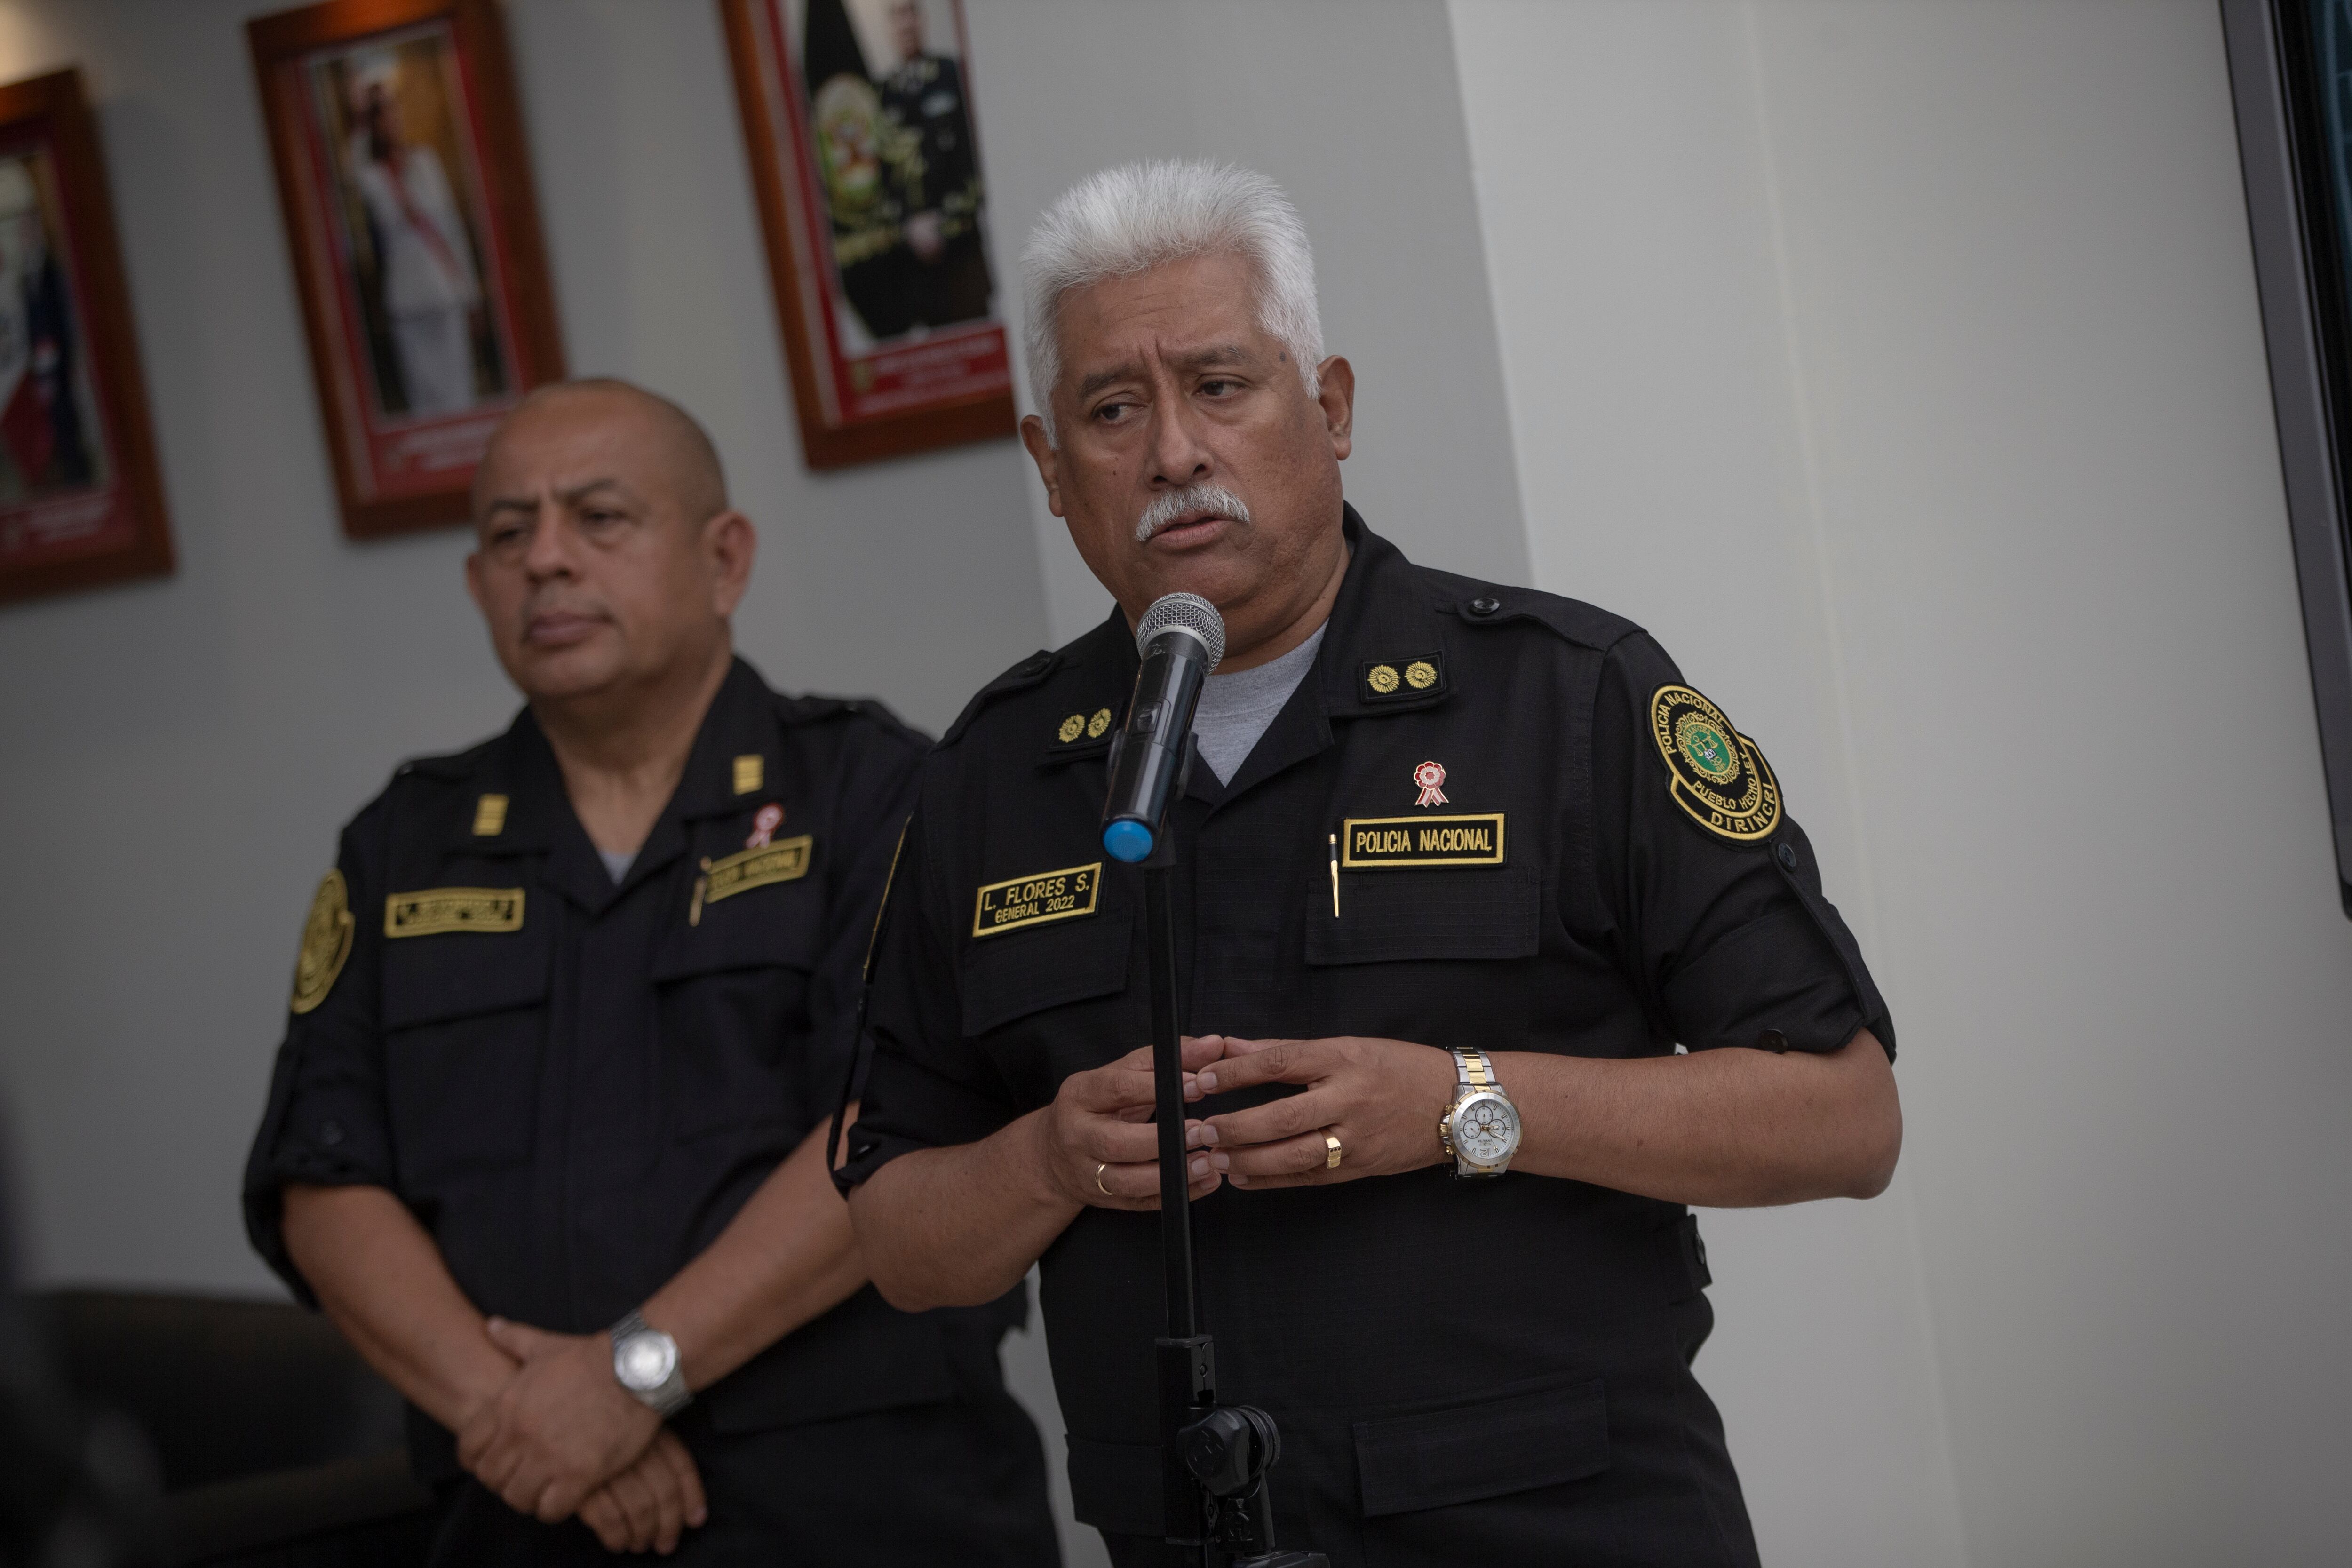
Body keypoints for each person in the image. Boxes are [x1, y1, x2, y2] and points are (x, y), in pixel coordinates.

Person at [838, 161, 1904, 1568]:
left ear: (1326, 408)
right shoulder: (993, 773)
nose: (1170, 453)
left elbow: (1840, 1116)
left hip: (1561, 1524)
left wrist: (1466, 1104)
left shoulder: (1565, 698)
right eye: (1112, 409)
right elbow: (901, 1240)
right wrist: (1045, 1160)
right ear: (1051, 469)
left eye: (1220, 386)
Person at [242, 379, 1058, 1565]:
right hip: (525, 1511)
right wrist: (517, 1415)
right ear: (476, 585)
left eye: (600, 519)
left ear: (723, 558)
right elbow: (322, 1178)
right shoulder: (402, 846)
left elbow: (895, 1125)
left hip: (860, 1509)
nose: (547, 563)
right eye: (509, 533)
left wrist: (629, 1381)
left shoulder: (874, 794)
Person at [342, 51, 487, 416]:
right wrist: (359, 114)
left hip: (443, 287)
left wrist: (469, 291)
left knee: (459, 386)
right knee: (423, 394)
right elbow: (352, 170)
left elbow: (451, 227)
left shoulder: (425, 162)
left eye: (392, 113)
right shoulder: (374, 177)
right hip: (406, 295)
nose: (389, 122)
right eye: (381, 116)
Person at [875, 0, 992, 329]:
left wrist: (946, 219)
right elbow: (881, 178)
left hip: (961, 247)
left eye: (910, 13)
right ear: (890, 28)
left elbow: (976, 156)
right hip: (915, 262)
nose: (906, 24)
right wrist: (908, 227)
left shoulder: (952, 75)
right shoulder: (882, 95)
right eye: (897, 17)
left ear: (921, 20)